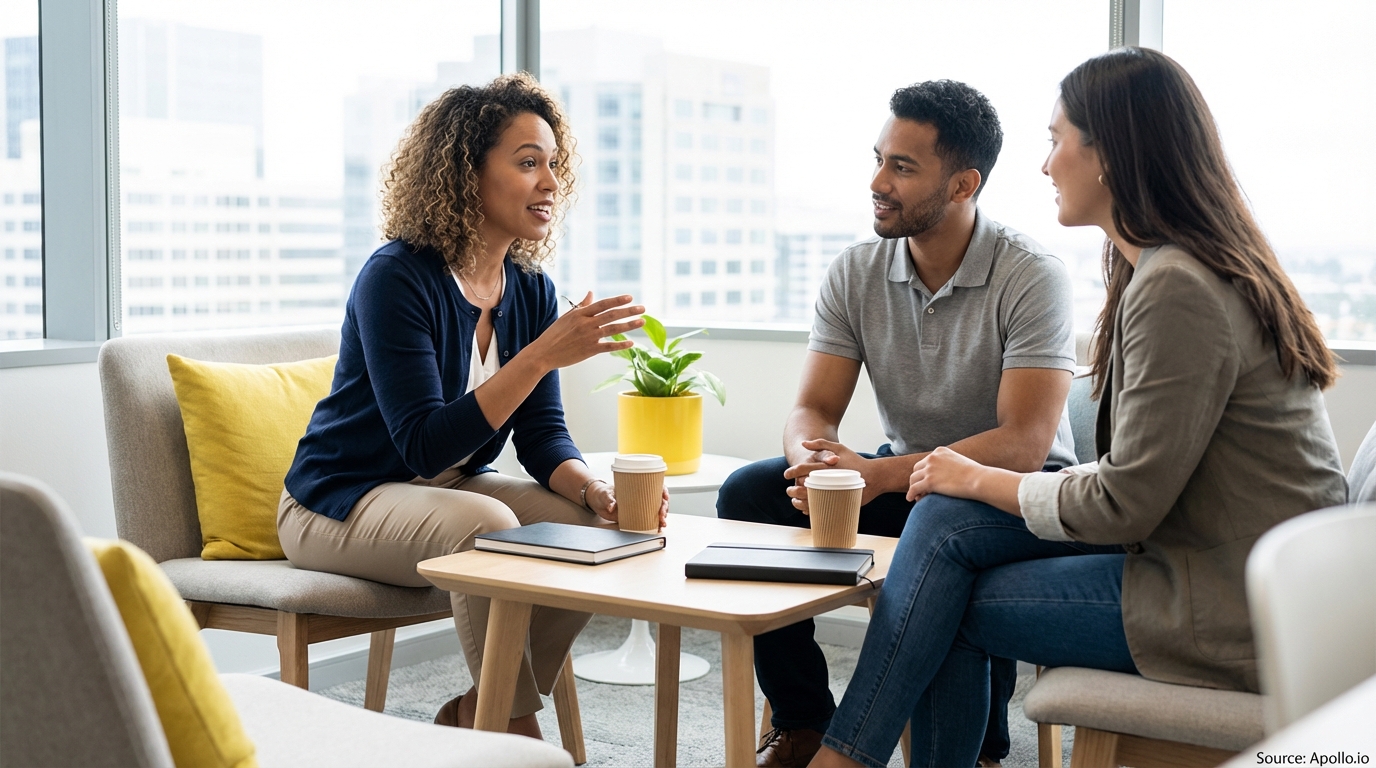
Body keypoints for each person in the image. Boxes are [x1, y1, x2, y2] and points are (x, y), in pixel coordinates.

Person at [810, 47, 1348, 768]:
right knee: (942, 532)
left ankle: (843, 758)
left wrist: (970, 476)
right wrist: (961, 480)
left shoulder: (1177, 285)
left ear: (1111, 157)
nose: (1044, 165)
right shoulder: (1162, 266)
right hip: (1211, 569)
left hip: (1229, 606)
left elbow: (1124, 503)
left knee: (946, 587)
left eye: (1057, 140)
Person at [278, 73, 667, 740]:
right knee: (483, 520)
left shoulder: (530, 290)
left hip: (444, 492)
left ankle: (475, 711)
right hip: (338, 500)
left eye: (552, 163)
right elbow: (422, 444)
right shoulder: (396, 276)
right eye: (526, 163)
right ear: (464, 173)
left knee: (606, 528)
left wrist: (594, 489)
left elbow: (544, 439)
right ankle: (512, 729)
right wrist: (541, 355)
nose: (549, 182)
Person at [715, 80, 1087, 767]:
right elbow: (813, 410)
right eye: (880, 158)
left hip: (1011, 496)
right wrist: (814, 462)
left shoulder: (1032, 275)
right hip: (907, 482)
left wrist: (873, 476)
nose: (877, 181)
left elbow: (1025, 444)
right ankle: (801, 721)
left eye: (903, 167)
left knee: (947, 520)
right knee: (749, 494)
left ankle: (979, 746)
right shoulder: (856, 271)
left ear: (962, 184)